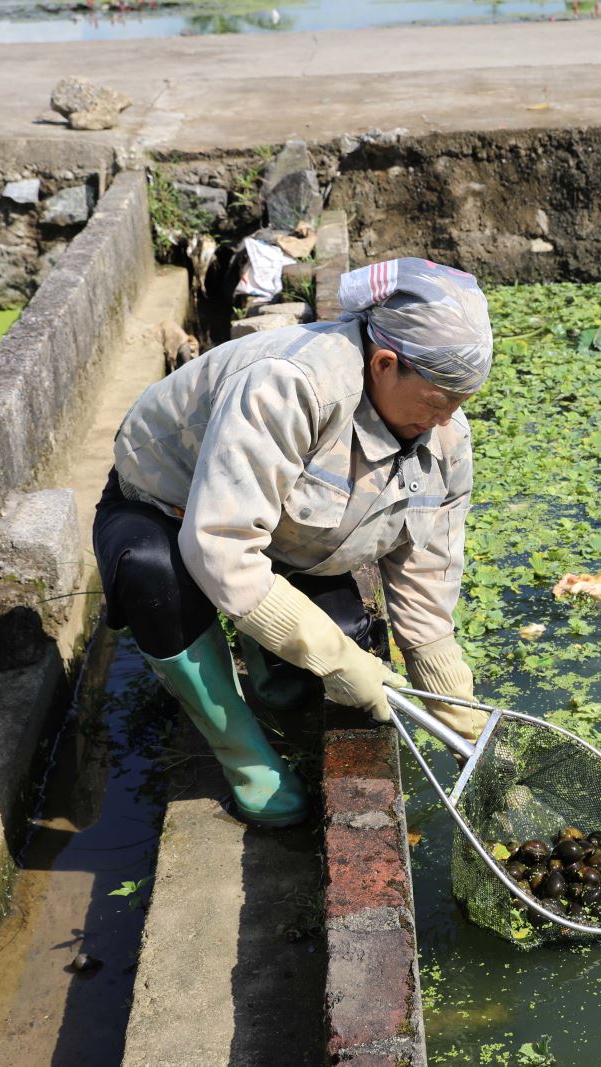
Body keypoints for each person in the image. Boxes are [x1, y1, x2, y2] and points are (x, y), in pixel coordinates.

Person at [93, 257, 491, 828]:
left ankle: (266, 663)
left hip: (282, 531)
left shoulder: (445, 435)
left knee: (322, 662)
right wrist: (337, 662)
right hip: (162, 507)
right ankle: (242, 753)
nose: (448, 419)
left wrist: (461, 721)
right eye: (438, 401)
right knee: (152, 572)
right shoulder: (290, 384)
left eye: (460, 402)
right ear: (384, 363)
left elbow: (427, 580)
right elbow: (222, 546)